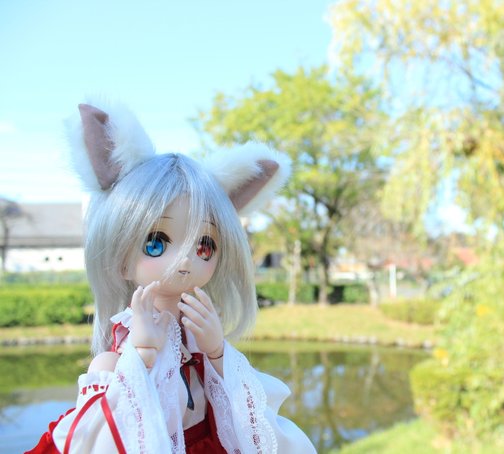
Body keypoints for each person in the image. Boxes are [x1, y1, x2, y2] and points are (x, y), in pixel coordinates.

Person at [27, 101, 316, 453]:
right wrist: (143, 354)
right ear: (119, 257)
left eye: (204, 245)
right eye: (156, 243)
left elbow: (252, 425)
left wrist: (217, 352)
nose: (185, 261)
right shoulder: (116, 361)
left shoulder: (199, 345)